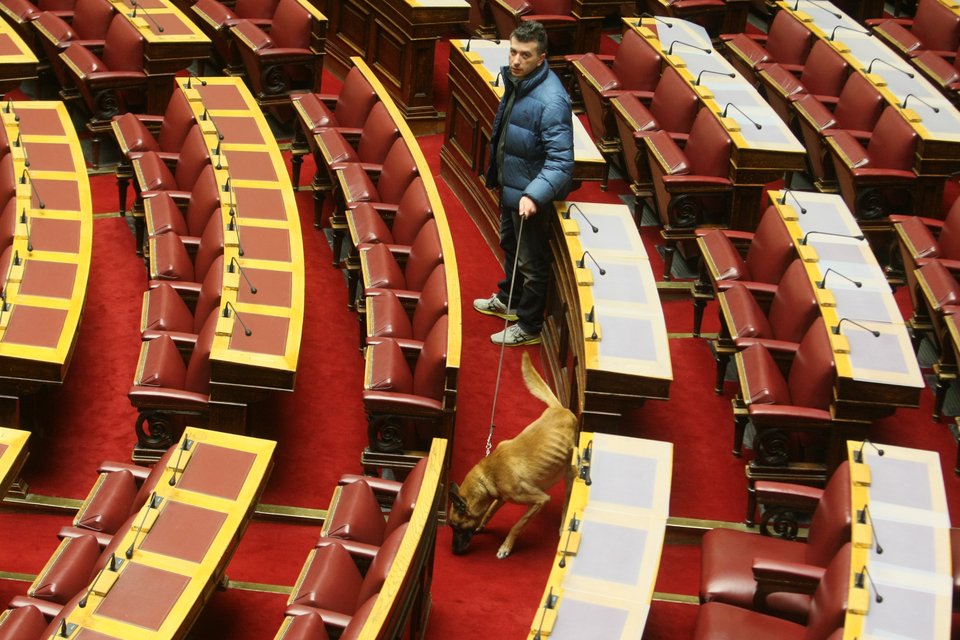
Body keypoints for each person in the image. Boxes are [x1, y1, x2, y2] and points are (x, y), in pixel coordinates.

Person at [473, 20, 575, 346]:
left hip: (529, 198)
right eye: (513, 52)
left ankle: (529, 327)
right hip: (512, 186)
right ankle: (509, 300)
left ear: (541, 57)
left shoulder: (551, 101)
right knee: (511, 248)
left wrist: (533, 195)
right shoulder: (519, 81)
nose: (516, 61)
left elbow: (562, 162)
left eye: (525, 55)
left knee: (532, 263)